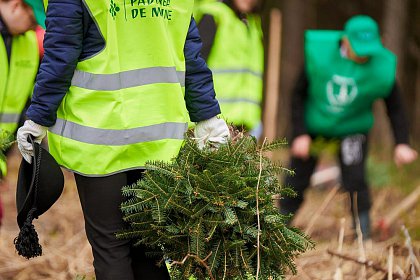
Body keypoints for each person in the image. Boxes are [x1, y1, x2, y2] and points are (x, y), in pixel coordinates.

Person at [16, 0, 229, 279]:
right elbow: (189, 52)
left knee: (111, 247)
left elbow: (61, 53)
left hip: (98, 138)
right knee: (148, 249)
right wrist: (208, 116)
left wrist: (37, 117)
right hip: (158, 136)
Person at [281, 15, 417, 239]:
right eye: (358, 48)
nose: (363, 55)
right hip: (315, 124)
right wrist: (300, 133)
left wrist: (401, 143)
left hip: (352, 127)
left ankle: (363, 234)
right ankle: (279, 226)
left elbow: (395, 107)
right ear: (345, 41)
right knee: (297, 177)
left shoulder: (381, 68)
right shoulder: (321, 56)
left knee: (355, 178)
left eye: (368, 50)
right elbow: (298, 95)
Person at [0, 0, 44, 228]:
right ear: (16, 6)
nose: (34, 27)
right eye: (32, 19)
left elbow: (21, 105)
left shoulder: (28, 42)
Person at [195, 0, 264, 137]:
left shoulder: (252, 23)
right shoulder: (213, 15)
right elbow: (195, 67)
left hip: (245, 126)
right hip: (213, 123)